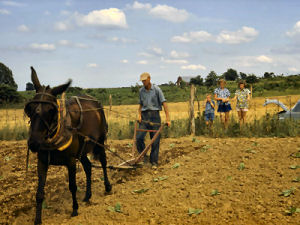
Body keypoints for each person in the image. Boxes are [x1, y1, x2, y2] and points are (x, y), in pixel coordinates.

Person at [137, 72, 170, 169]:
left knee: (155, 140)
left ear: (149, 79)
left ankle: (154, 161)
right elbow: (140, 104)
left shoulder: (156, 89)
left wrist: (168, 118)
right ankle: (144, 157)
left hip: (155, 115)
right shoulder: (141, 91)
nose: (143, 82)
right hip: (144, 116)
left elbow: (164, 103)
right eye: (142, 81)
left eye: (145, 80)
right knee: (139, 138)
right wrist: (139, 114)